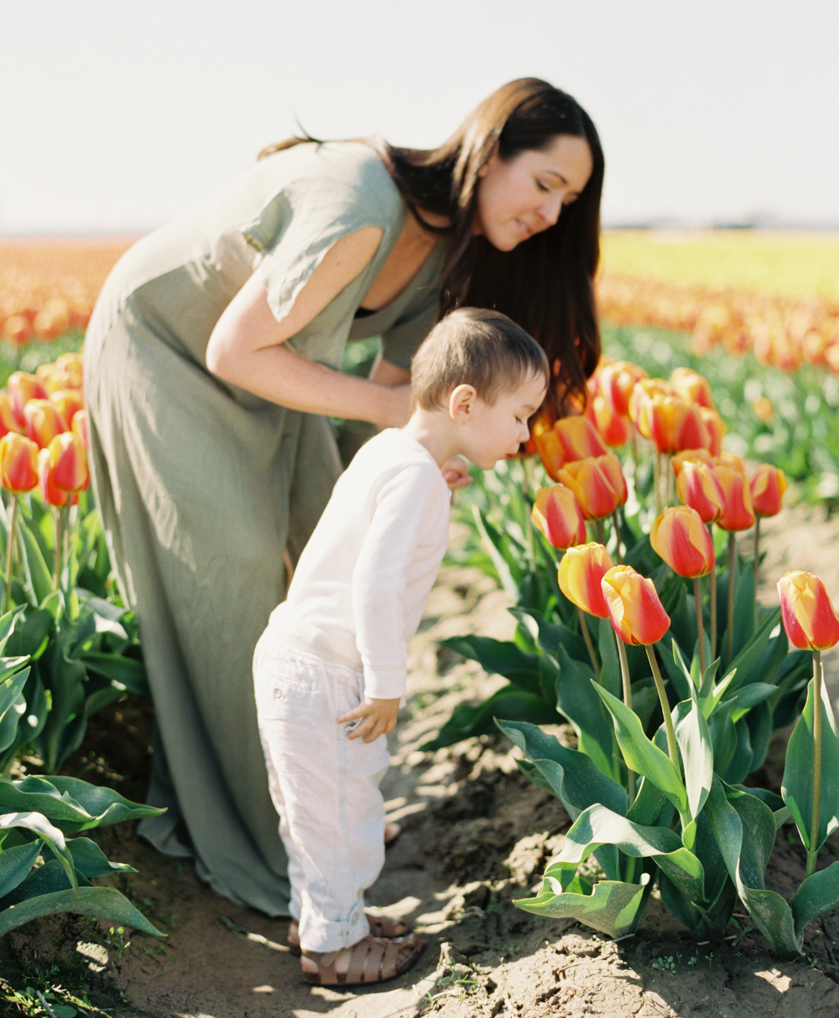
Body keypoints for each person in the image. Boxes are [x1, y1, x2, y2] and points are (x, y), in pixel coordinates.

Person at [82, 76, 603, 917]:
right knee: (240, 568)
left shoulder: (446, 262)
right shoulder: (362, 202)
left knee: (326, 532)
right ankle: (257, 838)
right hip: (167, 352)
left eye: (568, 203)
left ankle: (316, 798)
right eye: (545, 184)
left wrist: (427, 459)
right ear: (488, 147)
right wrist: (398, 414)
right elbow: (234, 348)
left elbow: (398, 418)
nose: (551, 215)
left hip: (280, 380)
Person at [253, 308, 549, 985]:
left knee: (312, 809)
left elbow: (367, 522)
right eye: (521, 415)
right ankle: (335, 949)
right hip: (329, 670)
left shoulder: (392, 454)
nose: (526, 435)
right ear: (466, 402)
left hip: (293, 654)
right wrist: (386, 682)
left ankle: (322, 916)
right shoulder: (413, 476)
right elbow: (376, 587)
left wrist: (430, 485)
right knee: (343, 813)